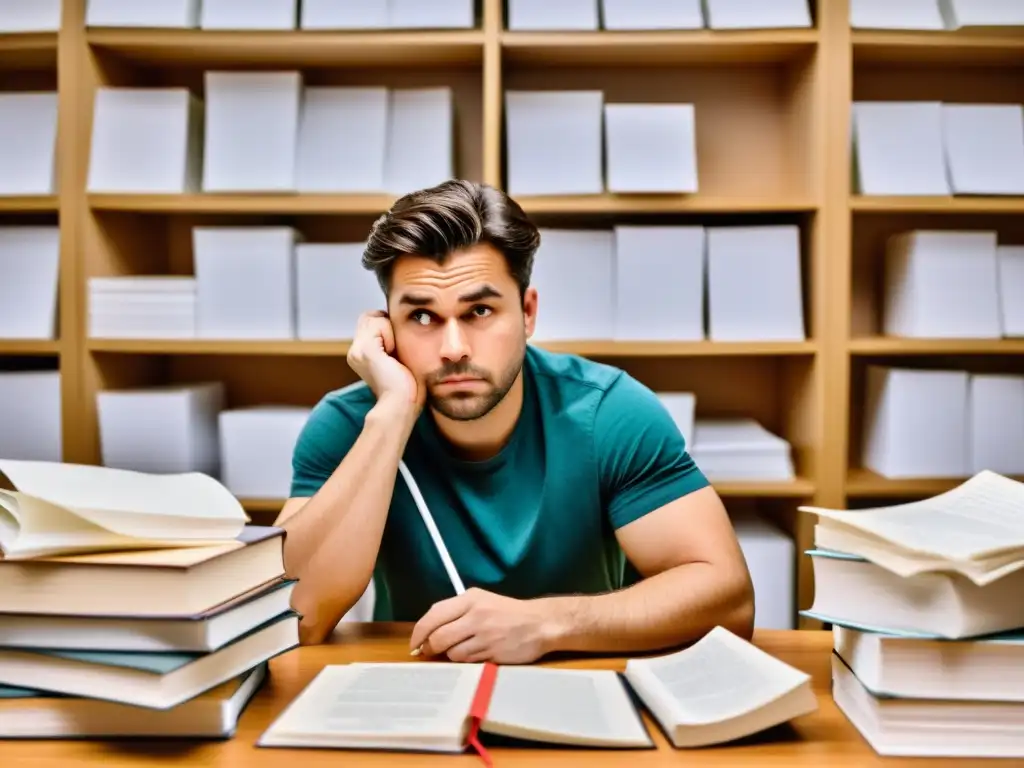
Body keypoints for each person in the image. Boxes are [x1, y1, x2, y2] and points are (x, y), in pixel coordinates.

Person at [275, 179, 755, 662]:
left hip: (584, 679)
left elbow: (729, 598)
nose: (454, 348)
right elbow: (293, 617)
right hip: (419, 691)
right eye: (422, 317)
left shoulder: (610, 412)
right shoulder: (350, 424)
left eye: (479, 310)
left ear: (527, 313)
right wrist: (392, 415)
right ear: (385, 328)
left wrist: (545, 623)